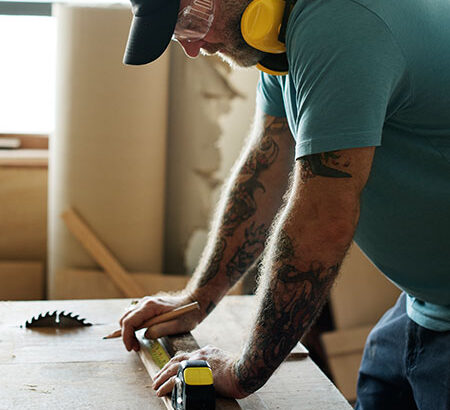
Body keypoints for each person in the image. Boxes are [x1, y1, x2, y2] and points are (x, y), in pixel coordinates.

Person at [119, 0, 450, 407]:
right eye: (179, 34)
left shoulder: (339, 22)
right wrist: (197, 297)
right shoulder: (284, 33)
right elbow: (267, 162)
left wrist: (242, 372)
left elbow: (322, 219)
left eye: (190, 22)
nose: (192, 47)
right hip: (426, 302)